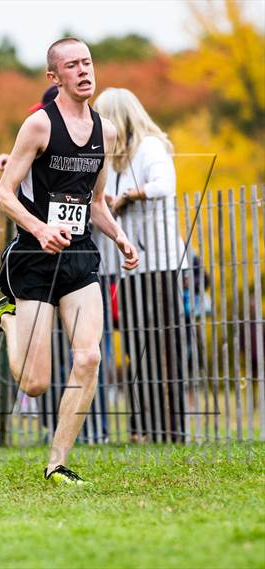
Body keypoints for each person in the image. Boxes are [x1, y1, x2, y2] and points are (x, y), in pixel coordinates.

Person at [0, 38, 139, 484]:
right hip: (35, 256)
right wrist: (41, 229)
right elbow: (2, 194)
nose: (84, 71)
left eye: (88, 62)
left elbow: (97, 201)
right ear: (54, 77)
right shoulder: (39, 126)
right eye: (73, 65)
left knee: (89, 357)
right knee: (35, 384)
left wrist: (120, 237)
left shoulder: (108, 132)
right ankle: (6, 320)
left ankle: (57, 463)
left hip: (80, 257)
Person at [93, 88, 188, 443]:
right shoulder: (112, 160)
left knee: (165, 346)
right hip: (128, 269)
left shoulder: (150, 147)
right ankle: (142, 427)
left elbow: (166, 185)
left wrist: (129, 197)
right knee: (135, 347)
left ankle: (172, 429)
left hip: (160, 265)